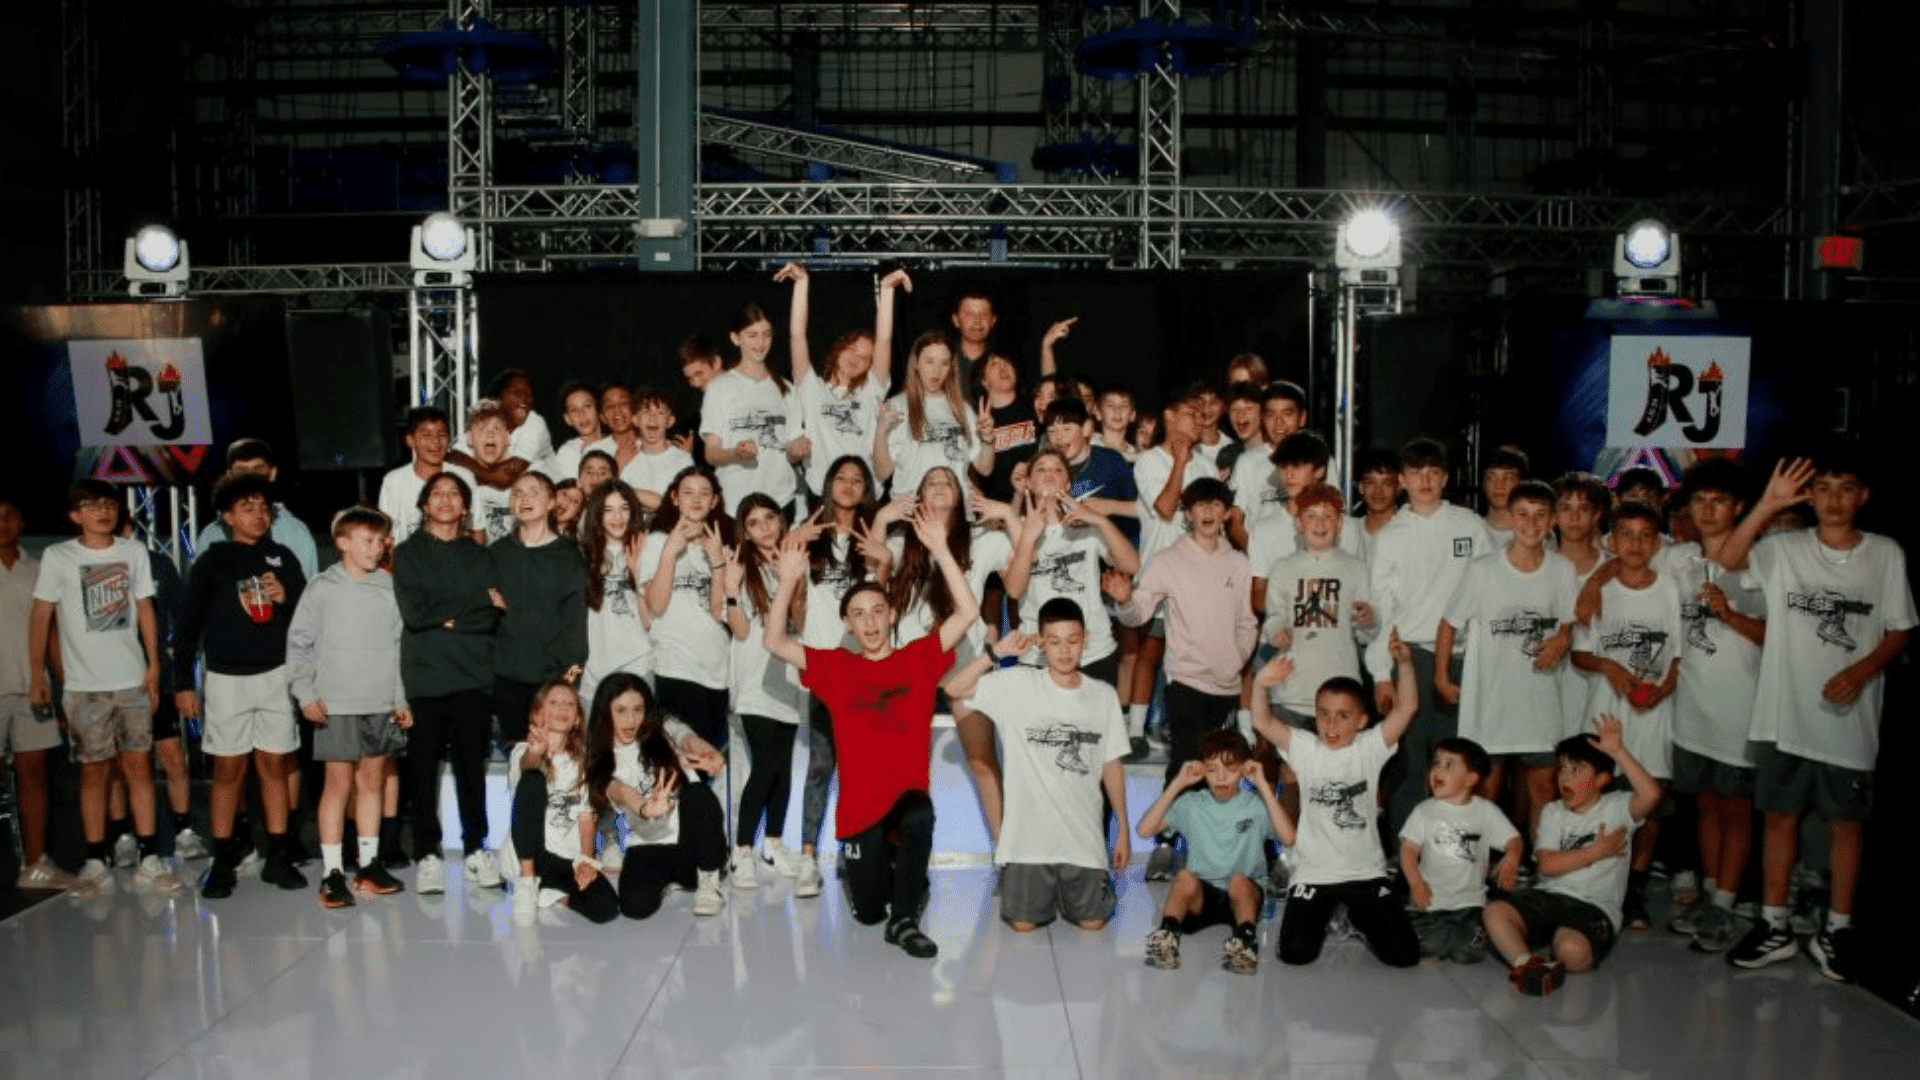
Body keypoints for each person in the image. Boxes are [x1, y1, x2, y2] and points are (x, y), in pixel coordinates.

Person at [1709, 455, 1914, 980]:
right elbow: (1728, 558)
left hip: (1847, 718)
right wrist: (1769, 504)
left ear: (1863, 495)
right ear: (1809, 496)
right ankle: (1774, 923)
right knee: (1779, 817)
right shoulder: (1783, 549)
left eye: (1845, 488)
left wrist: (1863, 670)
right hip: (1784, 714)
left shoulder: (1885, 554)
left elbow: (1898, 629)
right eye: (1822, 488)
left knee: (1845, 825)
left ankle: (1837, 927)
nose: (1833, 499)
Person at [763, 502, 980, 959]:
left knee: (920, 814)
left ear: (892, 615)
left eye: (877, 611)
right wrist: (787, 582)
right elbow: (775, 642)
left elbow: (966, 611)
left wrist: (940, 549)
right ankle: (893, 872)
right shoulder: (836, 668)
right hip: (860, 814)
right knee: (866, 912)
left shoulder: (916, 660)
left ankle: (905, 920)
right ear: (847, 624)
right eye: (858, 614)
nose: (869, 622)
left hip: (905, 802)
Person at [1105, 477, 1258, 880]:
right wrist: (1123, 600)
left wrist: (1235, 659)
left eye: (1215, 506)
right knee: (1188, 759)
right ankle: (1167, 844)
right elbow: (1139, 613)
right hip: (1185, 680)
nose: (1207, 514)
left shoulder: (1239, 563)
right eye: (1198, 507)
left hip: (1225, 684)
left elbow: (1247, 622)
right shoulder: (1168, 560)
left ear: (1226, 513)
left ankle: (1212, 849)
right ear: (1187, 514)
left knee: (1221, 767)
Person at [947, 599, 1132, 932]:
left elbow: (1112, 765)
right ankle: (1034, 884)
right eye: (1055, 641)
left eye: (1073, 641)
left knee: (1093, 923)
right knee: (1022, 925)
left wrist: (1122, 830)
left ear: (1086, 639)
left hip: (1083, 841)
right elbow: (954, 688)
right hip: (1027, 845)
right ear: (1041, 642)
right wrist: (994, 653)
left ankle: (1073, 888)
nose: (1064, 651)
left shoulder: (1102, 695)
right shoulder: (1017, 684)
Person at [1252, 632, 1421, 968]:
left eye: (1343, 716)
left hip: (1365, 872)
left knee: (1404, 956)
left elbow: (1408, 707)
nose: (1330, 724)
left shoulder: (1370, 746)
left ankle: (1356, 917)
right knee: (1294, 954)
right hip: (1314, 873)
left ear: (1361, 721)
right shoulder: (1305, 746)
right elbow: (1262, 720)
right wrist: (1260, 685)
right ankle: (1330, 913)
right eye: (1323, 714)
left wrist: (1404, 664)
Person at [176, 473, 309, 898]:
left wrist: (285, 596)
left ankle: (278, 855)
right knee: (228, 770)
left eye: (264, 508)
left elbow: (308, 620)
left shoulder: (282, 557)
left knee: (274, 766)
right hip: (226, 678)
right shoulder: (212, 561)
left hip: (275, 675)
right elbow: (188, 625)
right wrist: (182, 682)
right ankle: (222, 860)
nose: (258, 515)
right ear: (227, 516)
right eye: (247, 508)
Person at [27, 483, 164, 894]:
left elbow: (144, 608)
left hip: (132, 680)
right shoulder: (58, 556)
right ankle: (94, 859)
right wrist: (39, 674)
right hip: (84, 686)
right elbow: (41, 617)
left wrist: (154, 666)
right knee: (93, 772)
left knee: (139, 767)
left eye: (108, 504)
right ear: (74, 515)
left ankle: (151, 857)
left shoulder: (133, 551)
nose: (102, 512)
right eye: (91, 505)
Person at [1655, 459, 1765, 952]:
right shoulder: (1678, 559)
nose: (1707, 509)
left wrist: (1730, 615)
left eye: (1718, 500)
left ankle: (1725, 901)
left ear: (1739, 506)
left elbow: (1775, 636)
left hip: (1741, 708)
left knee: (1736, 808)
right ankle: (1709, 894)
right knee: (1704, 805)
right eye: (1699, 500)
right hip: (1691, 708)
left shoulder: (1760, 562)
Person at [1366, 437, 1496, 842]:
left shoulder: (1469, 525)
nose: (1425, 480)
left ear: (1445, 478)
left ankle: (1456, 848)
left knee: (1459, 760)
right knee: (1411, 759)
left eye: (1433, 473)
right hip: (1413, 657)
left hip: (1466, 657)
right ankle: (1406, 850)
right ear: (1402, 480)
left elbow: (1491, 592)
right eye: (1416, 473)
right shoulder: (1390, 535)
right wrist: (1380, 673)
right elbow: (1380, 610)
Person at [1434, 480, 1576, 839]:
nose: (1531, 524)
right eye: (1523, 515)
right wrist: (1440, 676)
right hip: (1491, 704)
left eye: (1541, 516)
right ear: (1510, 518)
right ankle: (1483, 866)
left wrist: (1563, 639)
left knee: (1543, 790)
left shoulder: (1562, 570)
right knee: (1485, 793)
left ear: (1553, 521)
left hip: (1540, 702)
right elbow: (1449, 624)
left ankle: (1542, 866)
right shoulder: (1483, 569)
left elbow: (1569, 624)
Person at [286, 506, 411, 908]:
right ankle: (332, 871)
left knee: (371, 782)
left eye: (380, 541)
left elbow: (397, 649)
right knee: (337, 786)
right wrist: (304, 693)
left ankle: (369, 865)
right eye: (367, 541)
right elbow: (299, 644)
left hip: (379, 702)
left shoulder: (389, 587)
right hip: (335, 704)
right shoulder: (321, 587)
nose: (376, 548)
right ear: (342, 542)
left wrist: (399, 699)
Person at [1484, 716, 1663, 996]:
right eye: (1562, 770)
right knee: (1495, 912)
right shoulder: (1554, 812)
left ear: (1602, 779)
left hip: (1594, 906)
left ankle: (1556, 946)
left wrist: (1618, 751)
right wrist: (1598, 851)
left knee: (1573, 953)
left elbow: (1652, 795)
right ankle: (1527, 963)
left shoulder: (1618, 809)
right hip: (1549, 895)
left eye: (1576, 770)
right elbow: (1547, 865)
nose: (1565, 778)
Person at [1571, 500, 1681, 930]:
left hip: (1653, 711)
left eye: (1645, 535)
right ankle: (1595, 883)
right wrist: (1611, 667)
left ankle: (1633, 889)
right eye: (1626, 535)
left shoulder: (1671, 588)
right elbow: (1581, 655)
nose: (1635, 544)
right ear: (1612, 541)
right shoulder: (1599, 589)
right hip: (1605, 712)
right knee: (1598, 797)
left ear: (1657, 543)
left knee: (1649, 803)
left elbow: (1678, 658)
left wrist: (1659, 691)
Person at [391, 472, 503, 895]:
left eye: (454, 494)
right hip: (425, 678)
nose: (445, 500)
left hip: (473, 675)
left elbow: (490, 616)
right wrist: (472, 603)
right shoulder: (407, 554)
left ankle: (477, 848)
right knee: (423, 773)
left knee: (470, 770)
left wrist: (453, 614)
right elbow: (416, 613)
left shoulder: (481, 556)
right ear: (423, 505)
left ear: (465, 506)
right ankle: (428, 854)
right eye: (436, 494)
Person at [788, 455, 891, 896]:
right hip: (825, 670)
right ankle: (809, 857)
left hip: (864, 671)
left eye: (857, 479)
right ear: (827, 485)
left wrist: (883, 565)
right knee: (822, 765)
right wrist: (795, 545)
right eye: (840, 478)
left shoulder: (872, 537)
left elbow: (885, 600)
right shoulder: (808, 536)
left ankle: (859, 851)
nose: (848, 485)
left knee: (862, 768)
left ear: (866, 489)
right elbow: (795, 606)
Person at [1253, 483, 1373, 824]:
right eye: (1311, 517)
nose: (1319, 524)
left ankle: (1334, 848)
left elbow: (1368, 630)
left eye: (1327, 517)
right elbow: (1273, 615)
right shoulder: (1284, 568)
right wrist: (1277, 630)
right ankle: (1289, 855)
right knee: (1292, 778)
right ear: (1298, 523)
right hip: (1293, 688)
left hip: (1339, 689)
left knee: (1337, 780)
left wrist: (1368, 618)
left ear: (1339, 524)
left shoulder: (1355, 568)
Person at [1135, 728, 1293, 974]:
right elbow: (1145, 830)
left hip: (1242, 896)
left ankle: (1245, 941)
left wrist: (1262, 785)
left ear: (1243, 768)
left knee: (1239, 881)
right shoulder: (1193, 803)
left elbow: (1288, 837)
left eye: (1230, 769)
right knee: (1184, 877)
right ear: (1201, 770)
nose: (1221, 777)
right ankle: (1167, 935)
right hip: (1203, 895)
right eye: (1212, 769)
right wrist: (1178, 783)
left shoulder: (1253, 806)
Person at [583, 673, 730, 919]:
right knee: (634, 907)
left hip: (689, 842)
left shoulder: (662, 730)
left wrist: (708, 751)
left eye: (638, 709)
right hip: (647, 845)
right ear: (604, 712)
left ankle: (708, 879)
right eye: (620, 710)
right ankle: (674, 880)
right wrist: (644, 808)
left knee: (697, 793)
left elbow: (687, 738)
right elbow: (618, 791)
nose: (631, 720)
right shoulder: (600, 760)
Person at [722, 493, 809, 885]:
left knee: (783, 765)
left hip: (788, 673)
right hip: (753, 677)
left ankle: (773, 844)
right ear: (745, 530)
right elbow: (739, 629)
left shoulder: (795, 559)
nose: (763, 528)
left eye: (769, 518)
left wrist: (793, 580)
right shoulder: (739, 564)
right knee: (767, 763)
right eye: (753, 522)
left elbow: (800, 621)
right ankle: (742, 850)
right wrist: (730, 588)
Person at [1124, 390, 1216, 757]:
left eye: (1202, 414)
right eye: (1191, 412)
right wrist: (1179, 462)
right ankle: (1135, 731)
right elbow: (1164, 508)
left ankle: (1174, 725)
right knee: (1150, 651)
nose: (1199, 419)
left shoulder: (1207, 466)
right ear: (1169, 415)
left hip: (1197, 579)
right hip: (1157, 574)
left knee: (1186, 658)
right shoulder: (1147, 461)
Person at [1002, 449, 1140, 688]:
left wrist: (1100, 520)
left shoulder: (1087, 525)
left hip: (1093, 651)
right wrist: (1027, 538)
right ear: (1028, 482)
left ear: (1068, 482)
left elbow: (1132, 565)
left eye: (1058, 469)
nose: (1050, 474)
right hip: (1037, 653)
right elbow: (1014, 591)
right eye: (1041, 469)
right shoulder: (1015, 529)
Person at [781, 263, 907, 501]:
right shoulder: (813, 389)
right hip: (822, 496)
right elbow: (797, 336)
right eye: (851, 349)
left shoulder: (872, 392)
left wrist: (887, 290)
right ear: (837, 350)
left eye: (864, 357)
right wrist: (801, 283)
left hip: (865, 498)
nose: (855, 358)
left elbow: (884, 340)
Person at [3, 500, 74, 890]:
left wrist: (60, 686)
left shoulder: (38, 568)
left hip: (34, 690)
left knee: (34, 776)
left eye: (8, 516)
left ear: (22, 521)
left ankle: (34, 864)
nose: (1, 524)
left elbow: (50, 635)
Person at [1400, 737, 1522, 963]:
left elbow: (1514, 840)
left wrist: (1512, 857)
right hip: (1430, 903)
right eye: (1436, 763)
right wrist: (1416, 883)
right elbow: (1408, 850)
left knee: (1469, 952)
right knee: (1421, 943)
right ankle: (1439, 938)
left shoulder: (1486, 811)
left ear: (1471, 779)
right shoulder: (1424, 811)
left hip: (1470, 905)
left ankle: (1454, 938)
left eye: (1449, 764)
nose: (1438, 770)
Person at [490, 471, 588, 751]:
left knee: (553, 761)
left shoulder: (568, 555)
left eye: (534, 492)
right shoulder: (496, 553)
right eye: (517, 493)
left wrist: (567, 680)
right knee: (517, 761)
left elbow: (575, 625)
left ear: (551, 503)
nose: (524, 499)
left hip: (551, 681)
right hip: (506, 680)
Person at [640, 467, 736, 751]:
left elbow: (718, 612)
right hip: (673, 666)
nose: (696, 499)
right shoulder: (655, 542)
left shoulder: (723, 544)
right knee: (675, 763)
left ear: (715, 501)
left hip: (717, 669)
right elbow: (655, 606)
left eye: (704, 493)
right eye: (688, 492)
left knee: (709, 764)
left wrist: (718, 562)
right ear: (674, 498)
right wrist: (670, 551)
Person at [505, 681, 615, 923]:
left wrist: (586, 861)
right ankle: (526, 882)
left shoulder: (582, 762)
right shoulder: (522, 751)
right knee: (533, 781)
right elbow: (528, 765)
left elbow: (586, 815)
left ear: (577, 719)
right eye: (554, 702)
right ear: (537, 713)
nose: (563, 708)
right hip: (532, 854)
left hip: (565, 857)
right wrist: (536, 751)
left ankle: (552, 896)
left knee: (607, 908)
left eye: (570, 704)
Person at [702, 304, 806, 517]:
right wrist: (736, 454)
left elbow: (791, 454)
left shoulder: (787, 389)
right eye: (752, 335)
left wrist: (798, 450)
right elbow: (711, 454)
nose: (760, 343)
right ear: (735, 338)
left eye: (766, 335)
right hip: (735, 507)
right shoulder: (718, 388)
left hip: (780, 504)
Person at [876, 331, 995, 503]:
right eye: (929, 361)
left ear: (951, 368)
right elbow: (882, 472)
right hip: (911, 513)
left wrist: (988, 439)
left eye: (944, 363)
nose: (937, 370)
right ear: (916, 363)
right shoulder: (896, 406)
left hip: (955, 515)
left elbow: (985, 469)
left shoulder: (963, 408)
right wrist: (881, 431)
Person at [577, 480, 653, 712]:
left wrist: (637, 575)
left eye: (624, 508)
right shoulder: (581, 554)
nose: (617, 517)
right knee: (594, 746)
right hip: (592, 671)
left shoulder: (648, 549)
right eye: (608, 510)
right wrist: (571, 674)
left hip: (639, 664)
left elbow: (650, 622)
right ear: (596, 515)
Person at [193, 439, 319, 578]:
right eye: (241, 470)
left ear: (272, 473)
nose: (250, 477)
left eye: (257, 470)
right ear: (229, 475)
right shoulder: (211, 536)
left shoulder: (295, 532)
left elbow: (307, 594)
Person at [379, 407, 477, 543]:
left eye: (441, 435)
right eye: (426, 435)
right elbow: (386, 537)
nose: (435, 442)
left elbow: (478, 531)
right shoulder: (393, 481)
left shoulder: (465, 477)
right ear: (410, 441)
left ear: (449, 439)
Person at [448, 369, 552, 482]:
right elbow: (454, 456)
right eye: (516, 393)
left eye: (529, 394)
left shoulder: (534, 422)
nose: (524, 399)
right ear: (498, 398)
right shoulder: (486, 415)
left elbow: (506, 478)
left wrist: (470, 468)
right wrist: (489, 472)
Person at [606, 388, 694, 512]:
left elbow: (683, 506)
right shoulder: (624, 455)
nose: (653, 418)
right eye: (646, 411)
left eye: (661, 412)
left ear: (670, 421)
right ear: (635, 420)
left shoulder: (683, 459)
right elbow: (610, 497)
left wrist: (628, 492)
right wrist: (617, 468)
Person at [464, 401, 520, 545]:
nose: (490, 435)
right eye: (482, 429)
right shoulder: (460, 482)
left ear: (508, 438)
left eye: (497, 429)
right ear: (469, 438)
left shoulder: (525, 480)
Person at [544, 381, 604, 483]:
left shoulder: (617, 444)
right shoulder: (567, 452)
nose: (582, 414)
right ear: (568, 419)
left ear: (598, 410)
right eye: (574, 410)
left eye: (587, 406)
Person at [1350, 448, 1403, 564]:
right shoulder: (1348, 532)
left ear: (1399, 487)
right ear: (1361, 487)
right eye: (1371, 482)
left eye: (1387, 483)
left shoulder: (1407, 533)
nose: (1378, 491)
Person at [948, 290, 998, 393]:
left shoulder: (1003, 363)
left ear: (993, 321)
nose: (977, 321)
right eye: (969, 315)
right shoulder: (942, 358)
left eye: (984, 315)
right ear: (956, 320)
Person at [1480, 446, 1529, 548]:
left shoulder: (1537, 534)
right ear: (1483, 484)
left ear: (1521, 484)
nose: (1499, 485)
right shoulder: (1470, 530)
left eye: (1508, 477)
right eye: (1491, 477)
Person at [1095, 384, 1139, 463]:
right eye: (1110, 405)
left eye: (1124, 405)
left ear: (1132, 415)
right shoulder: (1088, 447)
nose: (1117, 410)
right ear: (1098, 413)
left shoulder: (1136, 457)